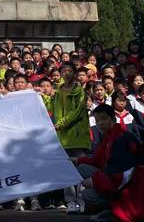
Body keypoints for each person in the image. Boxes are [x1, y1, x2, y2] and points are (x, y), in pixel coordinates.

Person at [73, 104, 144, 222]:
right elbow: (98, 160)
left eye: (104, 119)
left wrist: (95, 181)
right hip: (114, 178)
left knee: (88, 195)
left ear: (113, 119)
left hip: (128, 187)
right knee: (82, 168)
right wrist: (78, 160)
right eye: (97, 120)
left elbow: (122, 174)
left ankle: (114, 209)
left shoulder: (121, 139)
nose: (100, 123)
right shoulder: (108, 136)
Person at [52, 63, 90, 214]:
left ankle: (82, 200)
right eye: (64, 70)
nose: (67, 73)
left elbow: (78, 111)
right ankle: (71, 202)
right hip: (63, 137)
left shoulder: (79, 91)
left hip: (78, 136)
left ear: (74, 73)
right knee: (66, 171)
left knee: (81, 170)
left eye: (70, 71)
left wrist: (61, 124)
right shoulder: (58, 91)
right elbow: (52, 108)